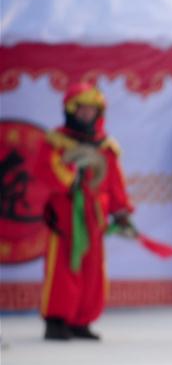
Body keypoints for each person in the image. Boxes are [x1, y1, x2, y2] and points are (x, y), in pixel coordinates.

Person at [34, 83, 135, 341]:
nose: (87, 115)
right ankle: (56, 320)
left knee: (92, 268)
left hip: (95, 215)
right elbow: (44, 172)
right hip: (66, 212)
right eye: (83, 110)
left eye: (92, 110)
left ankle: (82, 320)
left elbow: (113, 181)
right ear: (71, 110)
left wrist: (121, 211)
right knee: (63, 266)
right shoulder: (57, 141)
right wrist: (71, 179)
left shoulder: (105, 146)